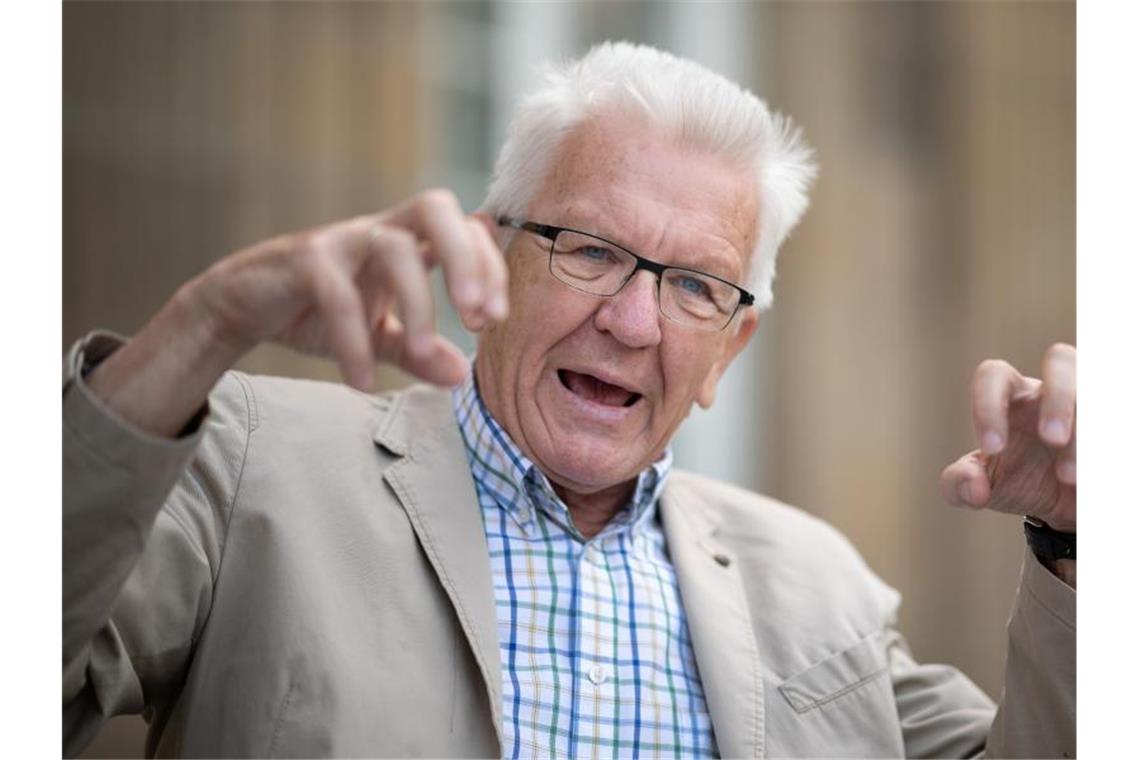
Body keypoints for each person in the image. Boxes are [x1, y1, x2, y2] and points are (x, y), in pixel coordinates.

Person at [63, 42, 1075, 758]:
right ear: (490, 255)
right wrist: (196, 329)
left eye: (694, 286)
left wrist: (1080, 542)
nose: (635, 323)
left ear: (732, 344)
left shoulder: (825, 590)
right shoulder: (246, 460)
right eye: (592, 251)